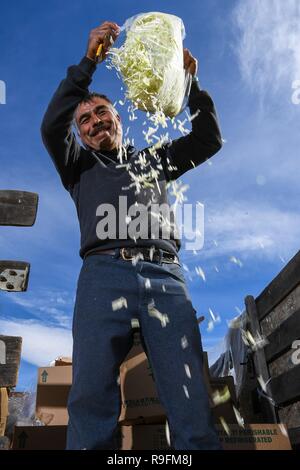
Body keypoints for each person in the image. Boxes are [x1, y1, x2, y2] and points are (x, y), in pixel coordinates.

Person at [41, 21, 223, 450]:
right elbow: (52, 127)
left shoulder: (154, 159)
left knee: (189, 395)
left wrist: (190, 82)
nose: (93, 122)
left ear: (118, 117)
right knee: (90, 396)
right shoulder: (78, 167)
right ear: (80, 134)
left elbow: (208, 138)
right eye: (84, 120)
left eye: (101, 112)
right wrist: (89, 63)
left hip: (165, 277)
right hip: (102, 275)